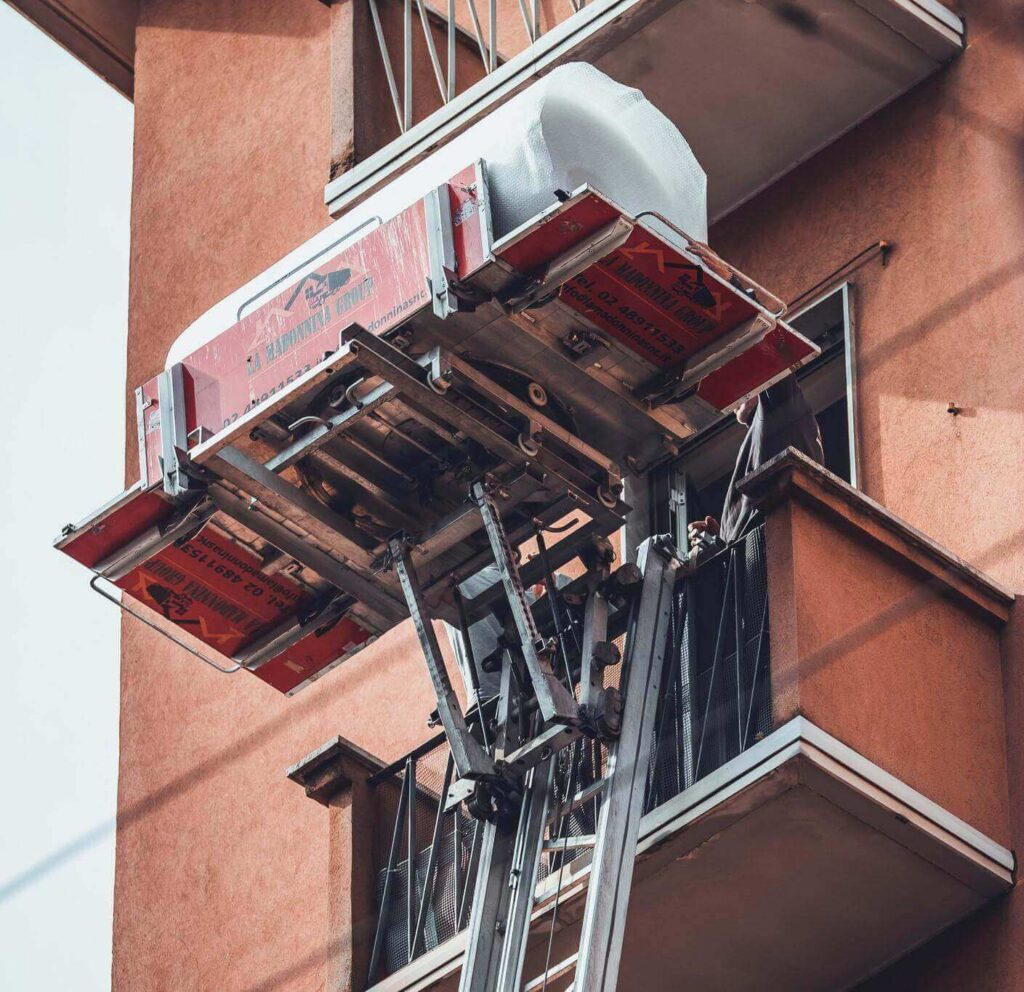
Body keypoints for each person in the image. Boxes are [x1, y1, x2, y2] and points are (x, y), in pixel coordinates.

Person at [687, 375, 823, 556]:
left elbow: (775, 365)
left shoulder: (782, 409)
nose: (730, 397)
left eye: (735, 383)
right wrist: (719, 541)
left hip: (774, 565)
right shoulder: (761, 432)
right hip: (756, 569)